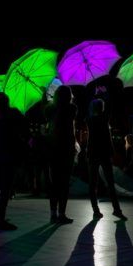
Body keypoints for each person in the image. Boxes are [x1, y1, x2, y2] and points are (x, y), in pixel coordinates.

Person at [0, 92, 28, 230]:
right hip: (7, 160)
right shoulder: (11, 120)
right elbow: (20, 135)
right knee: (5, 190)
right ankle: (1, 219)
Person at [85, 98, 125, 219]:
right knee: (110, 183)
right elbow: (110, 107)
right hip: (104, 153)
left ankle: (95, 210)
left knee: (93, 183)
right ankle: (116, 209)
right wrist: (103, 94)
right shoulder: (104, 119)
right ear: (102, 108)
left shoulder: (89, 120)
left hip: (93, 153)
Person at [44, 85, 78, 224]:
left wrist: (46, 98)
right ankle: (62, 214)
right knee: (64, 184)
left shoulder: (50, 109)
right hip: (67, 149)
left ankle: (53, 214)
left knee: (54, 183)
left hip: (53, 149)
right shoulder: (72, 109)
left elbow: (46, 113)